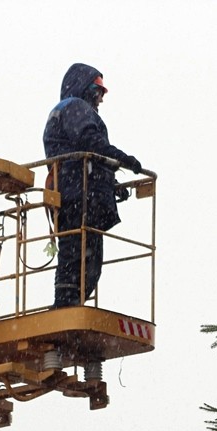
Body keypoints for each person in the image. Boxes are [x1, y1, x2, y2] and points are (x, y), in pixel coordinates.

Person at [43, 63, 143, 308]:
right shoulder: (74, 108)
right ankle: (65, 306)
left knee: (89, 261)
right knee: (76, 254)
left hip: (84, 191)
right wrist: (122, 159)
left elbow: (87, 153)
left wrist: (112, 184)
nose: (100, 98)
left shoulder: (74, 111)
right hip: (76, 193)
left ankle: (70, 306)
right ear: (85, 88)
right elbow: (89, 142)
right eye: (98, 91)